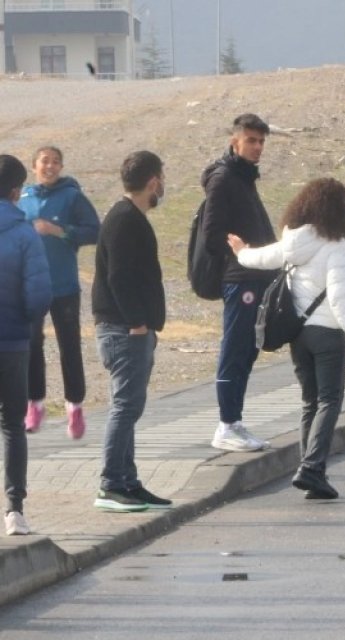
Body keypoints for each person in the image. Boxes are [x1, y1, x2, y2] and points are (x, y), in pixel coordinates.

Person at [229, 178, 345, 500]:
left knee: (310, 402)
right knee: (329, 401)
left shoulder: (293, 241)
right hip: (329, 335)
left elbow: (261, 258)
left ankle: (310, 469)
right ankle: (312, 468)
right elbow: (339, 299)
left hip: (298, 334)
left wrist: (241, 251)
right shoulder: (335, 246)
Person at [90, 150, 171, 512]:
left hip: (131, 329)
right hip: (124, 330)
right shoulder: (124, 218)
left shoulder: (130, 217)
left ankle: (129, 482)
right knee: (124, 407)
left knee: (131, 406)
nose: (163, 188)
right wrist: (137, 322)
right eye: (162, 180)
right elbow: (118, 277)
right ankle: (110, 485)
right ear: (153, 181)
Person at [201, 113, 278, 452]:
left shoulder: (246, 178)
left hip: (257, 275)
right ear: (235, 141)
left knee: (249, 350)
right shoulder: (224, 178)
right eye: (251, 140)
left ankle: (235, 420)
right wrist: (241, 254)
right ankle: (225, 423)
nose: (257, 147)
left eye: (261, 141)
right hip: (240, 278)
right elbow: (212, 235)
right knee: (234, 349)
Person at [18, 146, 99, 439]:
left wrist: (60, 231)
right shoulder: (22, 198)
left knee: (69, 347)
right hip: (30, 285)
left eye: (55, 162)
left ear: (61, 166)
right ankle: (34, 403)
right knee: (31, 344)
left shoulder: (72, 196)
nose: (50, 166)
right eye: (44, 161)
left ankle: (75, 408)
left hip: (63, 286)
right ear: (34, 165)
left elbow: (95, 230)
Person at [0, 155, 51, 535]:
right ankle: (14, 509)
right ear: (17, 191)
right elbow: (39, 293)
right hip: (13, 340)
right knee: (12, 426)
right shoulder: (24, 234)